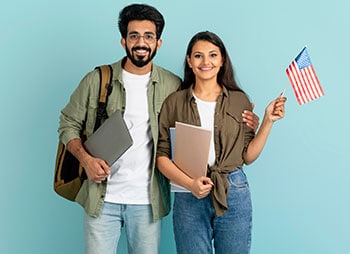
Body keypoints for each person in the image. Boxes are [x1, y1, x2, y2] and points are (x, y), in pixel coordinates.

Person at [59, 4, 259, 253]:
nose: (141, 42)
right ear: (123, 41)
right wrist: (86, 160)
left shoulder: (172, 86)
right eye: (134, 36)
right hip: (101, 198)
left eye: (148, 36)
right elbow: (68, 123)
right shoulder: (97, 79)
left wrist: (249, 123)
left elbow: (201, 120)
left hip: (147, 202)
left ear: (158, 43)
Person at [156, 31, 287, 254]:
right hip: (188, 194)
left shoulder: (239, 100)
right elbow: (161, 157)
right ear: (189, 61)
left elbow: (248, 156)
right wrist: (190, 184)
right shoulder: (174, 102)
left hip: (233, 190)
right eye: (198, 56)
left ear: (222, 59)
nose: (205, 62)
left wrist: (267, 121)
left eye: (213, 55)